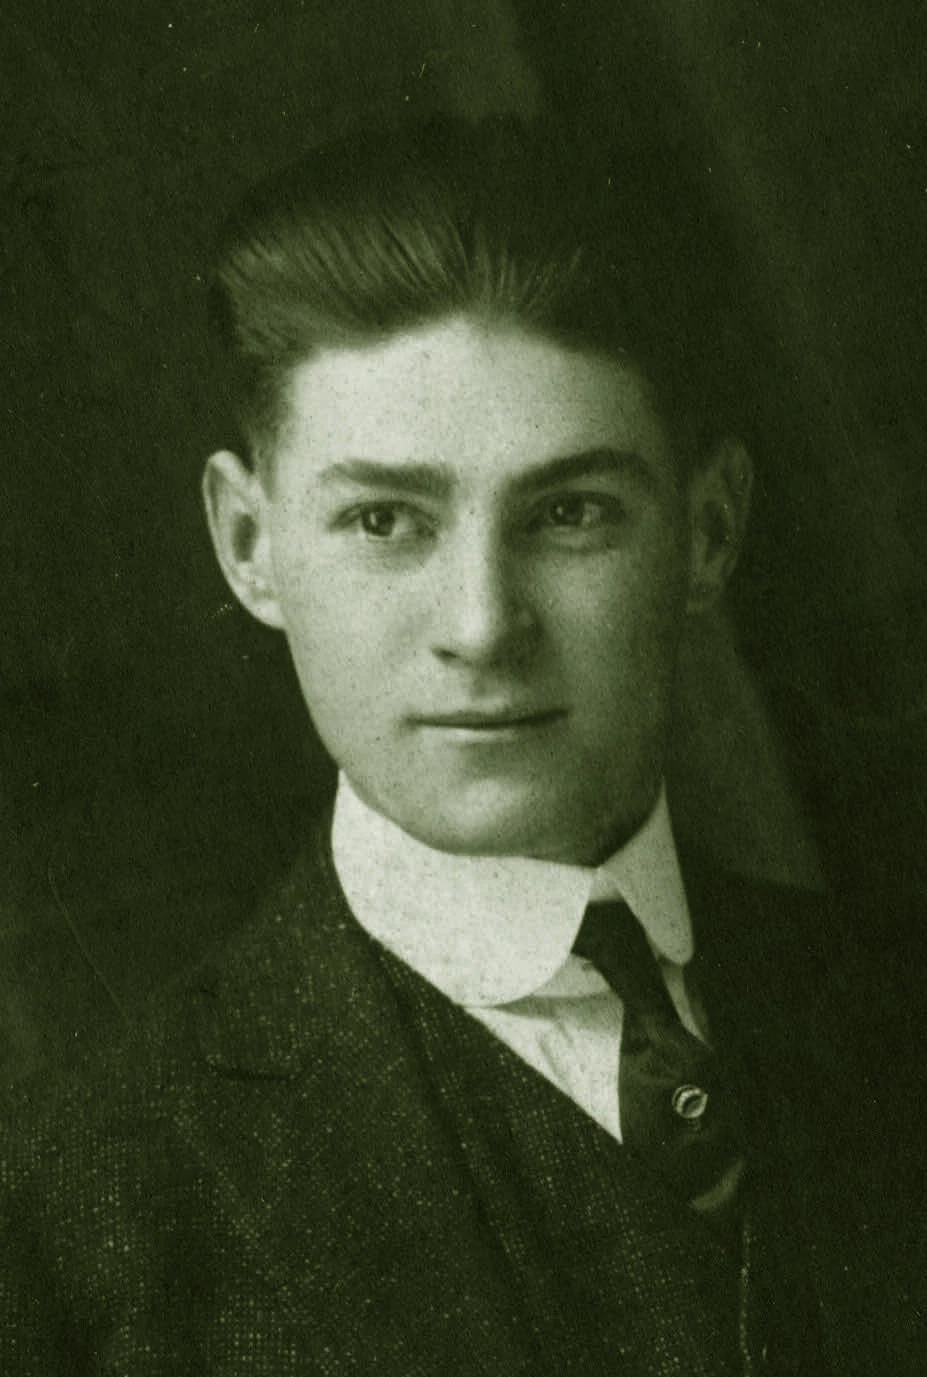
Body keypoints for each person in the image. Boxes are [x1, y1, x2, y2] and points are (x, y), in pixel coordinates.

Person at [0, 115, 922, 1376]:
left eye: (572, 513)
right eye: (385, 520)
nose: (484, 627)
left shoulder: (888, 1001)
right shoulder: (77, 1216)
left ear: (709, 532)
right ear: (249, 544)